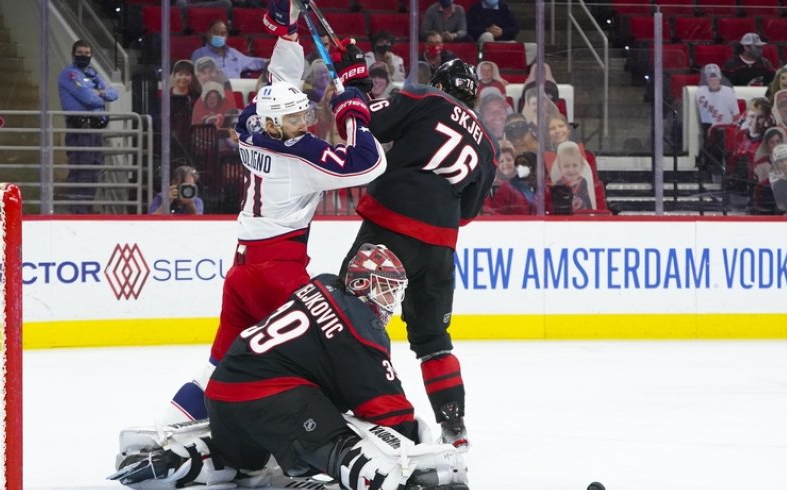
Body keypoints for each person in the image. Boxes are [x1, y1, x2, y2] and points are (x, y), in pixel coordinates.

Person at [157, 0, 387, 426]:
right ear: (281, 125)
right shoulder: (299, 157)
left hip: (243, 271)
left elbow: (278, 82)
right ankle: (339, 432)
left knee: (219, 362)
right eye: (298, 118)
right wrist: (353, 106)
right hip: (278, 272)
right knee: (330, 350)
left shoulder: (251, 128)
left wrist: (288, 35)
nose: (305, 121)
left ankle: (169, 427)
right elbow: (369, 164)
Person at [109, 245, 469, 490]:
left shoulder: (324, 283)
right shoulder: (362, 329)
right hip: (272, 400)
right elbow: (386, 410)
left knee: (248, 466)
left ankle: (184, 457)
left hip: (223, 392)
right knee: (341, 438)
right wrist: (419, 452)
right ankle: (387, 481)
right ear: (361, 286)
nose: (392, 302)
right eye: (387, 290)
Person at [333, 47, 497, 448]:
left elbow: (367, 123)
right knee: (433, 341)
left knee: (348, 317)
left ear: (440, 85)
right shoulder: (488, 147)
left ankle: (356, 406)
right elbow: (468, 212)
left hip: (391, 225)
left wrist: (353, 86)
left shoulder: (426, 98)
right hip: (440, 246)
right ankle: (454, 427)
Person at [58, 39, 119, 214]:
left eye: (87, 53)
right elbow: (88, 98)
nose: (84, 56)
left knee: (93, 170)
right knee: (81, 170)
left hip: (95, 128)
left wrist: (99, 92)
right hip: (80, 128)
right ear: (73, 54)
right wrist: (100, 94)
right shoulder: (69, 74)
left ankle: (86, 207)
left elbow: (114, 94)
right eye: (80, 53)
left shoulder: (92, 73)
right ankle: (78, 210)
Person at [190, 20, 267, 80]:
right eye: (216, 32)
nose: (219, 36)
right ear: (208, 34)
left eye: (222, 33)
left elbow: (253, 62)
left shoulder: (233, 53)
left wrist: (271, 62)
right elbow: (194, 77)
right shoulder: (199, 53)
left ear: (226, 36)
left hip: (235, 91)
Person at [695, 63, 740, 134]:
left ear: (719, 78)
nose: (713, 81)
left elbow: (736, 114)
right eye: (711, 79)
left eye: (715, 78)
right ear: (707, 80)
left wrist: (733, 129)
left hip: (727, 128)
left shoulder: (729, 91)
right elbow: (704, 118)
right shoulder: (701, 92)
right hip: (710, 129)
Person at [551, 141, 596, 211]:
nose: (571, 170)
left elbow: (588, 203)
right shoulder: (558, 184)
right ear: (560, 168)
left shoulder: (583, 182)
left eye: (575, 165)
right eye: (566, 166)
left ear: (581, 167)